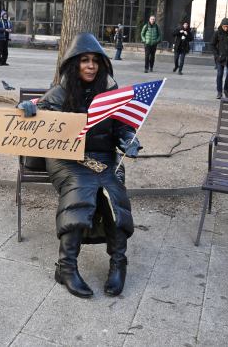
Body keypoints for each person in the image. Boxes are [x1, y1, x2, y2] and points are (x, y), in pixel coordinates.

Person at [16, 32, 141, 298]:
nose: (90, 66)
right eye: (84, 60)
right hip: (66, 158)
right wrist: (27, 108)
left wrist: (129, 138)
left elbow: (122, 125)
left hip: (103, 157)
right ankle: (66, 266)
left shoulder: (110, 93)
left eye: (95, 60)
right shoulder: (59, 93)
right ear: (74, 64)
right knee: (80, 188)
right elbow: (38, 112)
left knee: (114, 194)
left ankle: (119, 262)